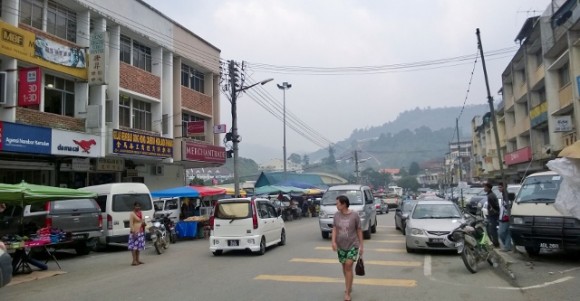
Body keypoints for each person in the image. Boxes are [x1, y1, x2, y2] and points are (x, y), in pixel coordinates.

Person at [331, 195, 363, 301]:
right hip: (341, 246)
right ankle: (348, 285)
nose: (336, 205)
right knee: (344, 268)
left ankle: (348, 293)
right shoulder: (336, 216)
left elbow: (359, 230)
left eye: (337, 203)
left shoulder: (354, 215)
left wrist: (361, 245)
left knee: (348, 266)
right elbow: (335, 228)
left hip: (353, 245)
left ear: (344, 204)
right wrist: (333, 241)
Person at [128, 202, 146, 266]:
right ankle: (134, 261)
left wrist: (144, 223)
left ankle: (138, 260)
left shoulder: (140, 213)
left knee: (139, 247)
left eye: (139, 206)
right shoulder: (132, 214)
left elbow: (142, 221)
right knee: (134, 247)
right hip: (135, 232)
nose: (137, 207)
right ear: (134, 206)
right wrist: (133, 232)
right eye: (136, 206)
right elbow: (131, 223)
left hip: (140, 231)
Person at [484, 183, 500, 248]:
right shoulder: (490, 195)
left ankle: (496, 243)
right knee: (489, 229)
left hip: (493, 215)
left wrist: (493, 211)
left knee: (492, 230)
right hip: (491, 215)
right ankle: (494, 242)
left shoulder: (491, 196)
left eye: (485, 187)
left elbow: (495, 206)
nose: (484, 189)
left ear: (488, 188)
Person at [497, 183, 512, 251]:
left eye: (500, 187)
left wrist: (505, 214)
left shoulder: (506, 195)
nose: (499, 189)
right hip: (502, 216)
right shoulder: (503, 195)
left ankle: (507, 246)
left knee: (501, 232)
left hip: (505, 217)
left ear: (504, 187)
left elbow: (507, 206)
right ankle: (508, 246)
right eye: (498, 187)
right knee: (506, 232)